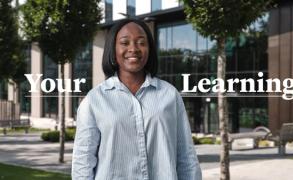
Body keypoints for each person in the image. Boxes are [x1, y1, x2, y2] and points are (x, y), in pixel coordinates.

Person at [72, 18, 202, 180]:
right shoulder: (94, 100)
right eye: (125, 43)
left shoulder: (170, 95)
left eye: (141, 42)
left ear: (149, 49)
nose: (133, 49)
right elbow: (83, 162)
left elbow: (186, 156)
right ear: (113, 50)